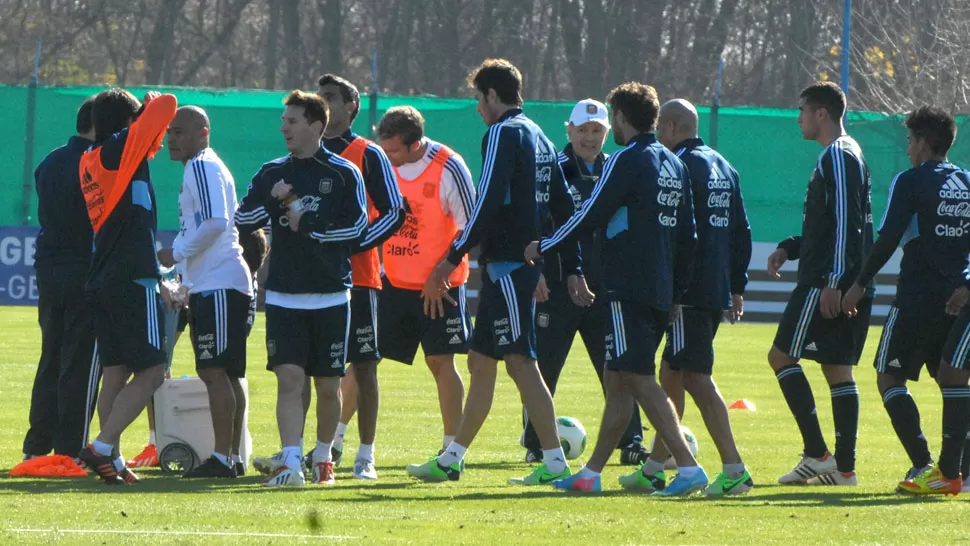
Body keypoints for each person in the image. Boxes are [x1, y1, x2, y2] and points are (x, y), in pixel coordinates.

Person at [407, 59, 584, 485]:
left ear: (491, 95)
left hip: (507, 268)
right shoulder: (540, 136)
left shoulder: (503, 133)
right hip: (511, 268)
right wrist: (571, 265)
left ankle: (556, 463)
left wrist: (451, 257)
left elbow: (486, 202)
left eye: (477, 98)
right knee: (481, 363)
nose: (477, 108)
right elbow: (566, 207)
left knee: (522, 363)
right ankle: (452, 458)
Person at [527, 82, 707, 496]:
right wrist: (677, 292)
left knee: (639, 379)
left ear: (620, 120)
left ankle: (688, 466)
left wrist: (545, 246)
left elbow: (589, 215)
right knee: (618, 379)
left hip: (627, 288)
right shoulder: (674, 163)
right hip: (659, 289)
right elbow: (689, 236)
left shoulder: (626, 160)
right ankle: (590, 472)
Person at [235, 90, 367, 487]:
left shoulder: (345, 173)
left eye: (292, 121)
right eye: (284, 121)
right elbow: (245, 217)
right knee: (289, 380)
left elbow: (357, 229)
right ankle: (290, 462)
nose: (284, 128)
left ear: (316, 125)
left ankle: (323, 457)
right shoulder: (272, 172)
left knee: (328, 386)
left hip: (330, 295)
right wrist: (278, 207)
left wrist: (308, 223)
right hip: (283, 296)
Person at [842, 106, 970, 494]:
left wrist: (860, 283)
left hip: (916, 297)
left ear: (924, 143)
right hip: (957, 299)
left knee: (889, 376)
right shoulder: (967, 181)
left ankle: (924, 463)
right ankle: (959, 469)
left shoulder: (910, 180)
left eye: (911, 140)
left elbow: (888, 238)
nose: (908, 147)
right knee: (952, 380)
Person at [521, 98, 647, 466]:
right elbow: (534, 223)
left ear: (608, 132)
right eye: (583, 131)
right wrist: (537, 272)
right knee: (543, 368)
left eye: (598, 131)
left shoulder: (617, 169)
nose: (590, 138)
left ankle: (631, 441)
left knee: (618, 369)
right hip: (556, 286)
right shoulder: (553, 168)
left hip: (605, 290)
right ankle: (537, 443)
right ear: (569, 131)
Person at [640, 98, 754, 495]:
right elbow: (742, 231)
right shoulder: (724, 164)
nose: (656, 136)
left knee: (694, 377)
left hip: (688, 291)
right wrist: (736, 286)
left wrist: (673, 288)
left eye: (659, 129)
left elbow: (680, 233)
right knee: (671, 372)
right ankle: (654, 465)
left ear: (670, 127)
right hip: (714, 288)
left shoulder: (680, 166)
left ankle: (734, 469)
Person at [765, 81, 873, 486]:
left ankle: (817, 454)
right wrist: (791, 248)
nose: (798, 119)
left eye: (802, 111)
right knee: (837, 369)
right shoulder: (847, 154)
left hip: (823, 283)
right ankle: (844, 471)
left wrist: (833, 281)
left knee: (781, 357)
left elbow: (846, 221)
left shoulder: (838, 155)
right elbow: (833, 224)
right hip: (840, 277)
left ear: (821, 114)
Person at [76, 89, 179, 485]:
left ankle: (112, 460)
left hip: (105, 277)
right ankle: (101, 447)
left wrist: (144, 120)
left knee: (115, 373)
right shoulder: (118, 151)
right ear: (128, 124)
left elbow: (150, 134)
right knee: (153, 370)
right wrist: (150, 106)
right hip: (129, 279)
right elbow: (167, 104)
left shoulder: (96, 157)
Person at [157, 106, 253, 478]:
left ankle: (223, 458)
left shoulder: (201, 166)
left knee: (214, 371)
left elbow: (215, 222)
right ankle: (232, 456)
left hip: (219, 284)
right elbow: (206, 224)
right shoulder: (207, 166)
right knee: (227, 374)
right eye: (170, 132)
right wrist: (182, 274)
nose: (171, 139)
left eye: (180, 131)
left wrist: (176, 254)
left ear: (203, 132)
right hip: (221, 282)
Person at [373, 106, 475, 454]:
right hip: (394, 282)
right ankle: (335, 444)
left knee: (440, 362)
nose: (387, 157)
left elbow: (471, 226)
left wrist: (440, 274)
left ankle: (451, 451)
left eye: (394, 151)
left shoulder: (449, 166)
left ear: (415, 145)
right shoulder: (381, 165)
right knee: (363, 360)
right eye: (383, 149)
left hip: (441, 287)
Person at [319, 74, 405, 480]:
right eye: (319, 97)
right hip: (310, 281)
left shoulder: (367, 153)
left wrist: (353, 245)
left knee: (365, 366)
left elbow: (395, 211)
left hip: (360, 279)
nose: (324, 103)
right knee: (310, 372)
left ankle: (365, 455)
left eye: (332, 97)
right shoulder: (304, 151)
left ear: (352, 106)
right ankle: (313, 452)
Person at [23, 97, 100, 461]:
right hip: (83, 267)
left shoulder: (50, 161)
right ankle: (71, 448)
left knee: (50, 357)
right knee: (80, 361)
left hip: (50, 267)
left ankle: (37, 445)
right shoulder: (95, 163)